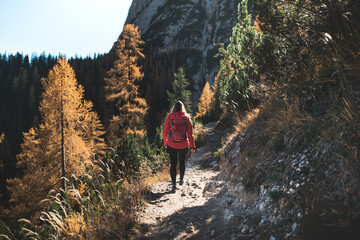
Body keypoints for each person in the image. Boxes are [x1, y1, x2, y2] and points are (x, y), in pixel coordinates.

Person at [163, 101, 195, 192]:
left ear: (174, 108)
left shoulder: (170, 117)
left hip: (171, 144)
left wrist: (165, 143)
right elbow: (190, 134)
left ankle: (173, 184)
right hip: (183, 144)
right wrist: (192, 147)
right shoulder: (186, 118)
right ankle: (181, 179)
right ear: (182, 108)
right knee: (182, 162)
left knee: (173, 163)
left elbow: (165, 131)